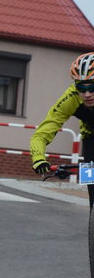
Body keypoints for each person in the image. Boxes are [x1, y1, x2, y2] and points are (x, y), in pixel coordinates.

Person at [31, 53, 94, 207]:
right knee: (90, 181)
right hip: (90, 137)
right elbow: (42, 133)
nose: (87, 94)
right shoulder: (71, 98)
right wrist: (38, 158)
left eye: (92, 87)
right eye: (81, 87)